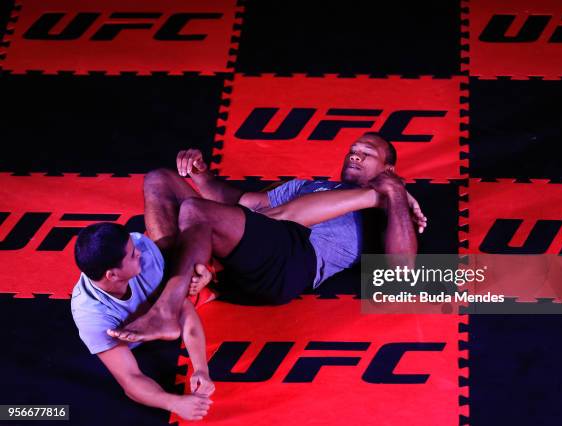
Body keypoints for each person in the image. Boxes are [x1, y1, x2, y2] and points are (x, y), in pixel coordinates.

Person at [107, 132, 427, 344]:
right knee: (160, 178)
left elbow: (401, 277)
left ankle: (166, 309)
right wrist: (201, 174)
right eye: (352, 151)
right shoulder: (308, 186)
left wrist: (394, 192)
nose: (355, 156)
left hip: (290, 261)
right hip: (258, 239)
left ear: (389, 168)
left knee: (195, 211)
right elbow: (242, 202)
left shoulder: (388, 210)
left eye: (367, 153)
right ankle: (176, 272)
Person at [71, 223, 215, 421]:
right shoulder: (91, 314)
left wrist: (201, 369)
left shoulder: (143, 249)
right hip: (139, 336)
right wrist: (173, 402)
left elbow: (184, 310)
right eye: (131, 255)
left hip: (171, 294)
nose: (138, 252)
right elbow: (130, 378)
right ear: (112, 275)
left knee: (198, 224)